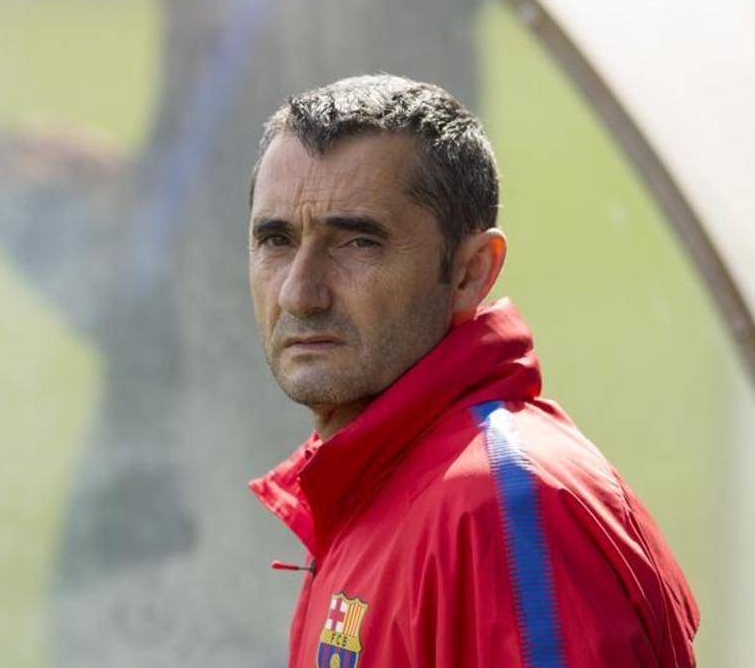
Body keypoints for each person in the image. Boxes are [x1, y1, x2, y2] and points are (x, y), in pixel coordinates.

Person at [247, 75, 699, 668]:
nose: (301, 292)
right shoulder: (368, 485)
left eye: (357, 242)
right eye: (276, 240)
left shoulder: (502, 504)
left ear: (469, 273)